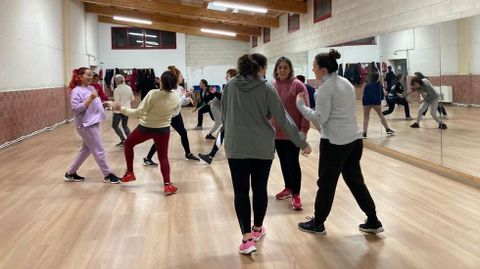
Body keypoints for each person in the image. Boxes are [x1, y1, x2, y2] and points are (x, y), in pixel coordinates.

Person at [222, 53, 312, 255]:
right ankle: (257, 229)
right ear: (260, 68)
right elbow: (283, 118)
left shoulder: (230, 86)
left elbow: (225, 115)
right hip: (262, 147)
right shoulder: (266, 87)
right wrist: (301, 142)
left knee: (241, 191)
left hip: (236, 147)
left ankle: (246, 238)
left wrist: (227, 139)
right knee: (259, 188)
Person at [296, 49, 384, 235]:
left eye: (314, 66)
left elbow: (320, 119)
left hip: (335, 143)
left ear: (323, 69)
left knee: (326, 184)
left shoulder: (325, 89)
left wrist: (301, 106)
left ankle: (318, 223)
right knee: (356, 181)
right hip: (354, 141)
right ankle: (374, 220)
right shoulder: (345, 82)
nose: (312, 69)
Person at [112, 71, 181, 195]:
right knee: (163, 157)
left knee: (128, 144)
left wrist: (120, 108)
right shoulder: (175, 97)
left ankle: (130, 173)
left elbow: (138, 112)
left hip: (146, 128)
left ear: (161, 81)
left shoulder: (153, 93)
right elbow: (175, 113)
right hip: (163, 130)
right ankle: (167, 185)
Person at [64, 67, 120, 184]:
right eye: (88, 75)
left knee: (86, 149)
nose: (91, 77)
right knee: (99, 149)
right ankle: (108, 174)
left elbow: (95, 105)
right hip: (85, 125)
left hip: (94, 122)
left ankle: (70, 173)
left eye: (91, 75)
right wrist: (90, 98)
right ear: (79, 77)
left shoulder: (91, 88)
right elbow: (76, 109)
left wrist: (107, 105)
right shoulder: (76, 91)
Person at [272, 56, 310, 211]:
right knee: (283, 162)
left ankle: (296, 194)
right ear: (276, 69)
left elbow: (305, 109)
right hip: (276, 133)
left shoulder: (298, 85)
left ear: (290, 69)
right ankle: (288, 188)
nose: (282, 70)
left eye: (285, 67)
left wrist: (304, 130)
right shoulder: (272, 85)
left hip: (293, 133)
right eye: (279, 67)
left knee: (293, 163)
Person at [142, 66, 200, 165]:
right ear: (176, 77)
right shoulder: (171, 90)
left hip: (176, 116)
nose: (182, 77)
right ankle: (148, 158)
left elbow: (182, 103)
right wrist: (184, 96)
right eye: (181, 76)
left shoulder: (180, 88)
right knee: (161, 138)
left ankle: (188, 153)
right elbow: (174, 103)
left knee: (183, 133)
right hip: (167, 116)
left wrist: (188, 97)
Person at [198, 68, 238, 165]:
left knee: (222, 133)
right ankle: (211, 156)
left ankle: (211, 156)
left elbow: (223, 99)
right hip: (231, 116)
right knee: (222, 133)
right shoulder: (232, 85)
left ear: (231, 76)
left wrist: (215, 92)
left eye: (227, 75)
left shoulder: (232, 86)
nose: (225, 77)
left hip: (233, 117)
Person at [362, 72, 395, 138]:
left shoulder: (367, 85)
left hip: (366, 102)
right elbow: (382, 96)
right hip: (375, 102)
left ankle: (364, 133)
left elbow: (364, 93)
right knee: (381, 115)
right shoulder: (379, 85)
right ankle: (387, 129)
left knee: (366, 117)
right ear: (377, 78)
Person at [112, 74, 134, 147]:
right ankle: (131, 141)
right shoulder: (129, 88)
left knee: (115, 125)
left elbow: (117, 102)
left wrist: (111, 107)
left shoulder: (117, 90)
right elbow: (132, 99)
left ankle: (123, 140)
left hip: (118, 111)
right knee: (125, 125)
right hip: (127, 109)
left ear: (116, 81)